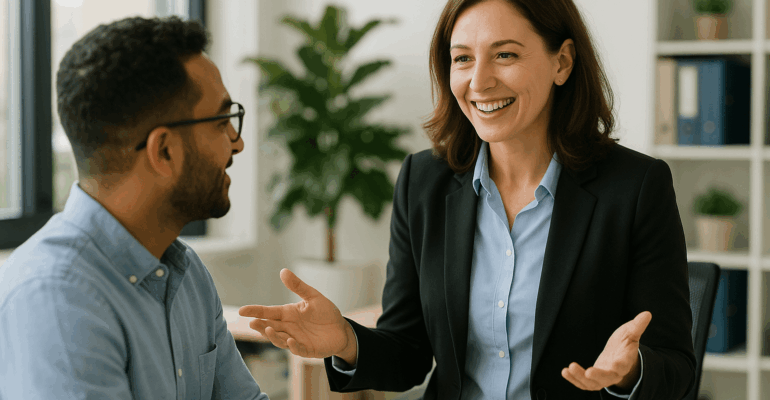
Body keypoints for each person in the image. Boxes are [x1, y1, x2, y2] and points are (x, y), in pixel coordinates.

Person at [239, 0, 695, 399]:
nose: (479, 81)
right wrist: (346, 341)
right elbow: (408, 352)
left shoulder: (636, 187)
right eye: (462, 59)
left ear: (562, 62)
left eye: (505, 55)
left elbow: (675, 368)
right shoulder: (424, 181)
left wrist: (630, 371)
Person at [0, 16, 268, 400]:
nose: (236, 143)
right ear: (164, 151)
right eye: (222, 121)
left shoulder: (188, 274)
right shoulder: (57, 298)